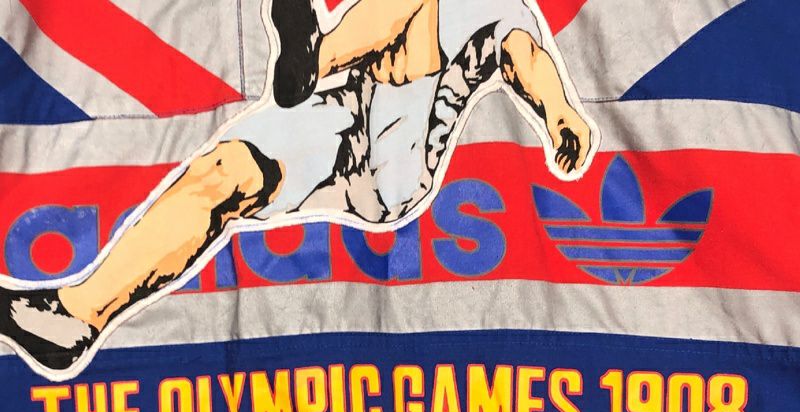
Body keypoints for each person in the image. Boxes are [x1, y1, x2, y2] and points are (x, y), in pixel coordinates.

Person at [0, 0, 597, 378]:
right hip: (341, 110)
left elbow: (528, 56)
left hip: (399, 156)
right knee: (224, 174)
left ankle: (314, 58)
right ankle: (77, 317)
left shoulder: (502, 9)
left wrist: (562, 114)